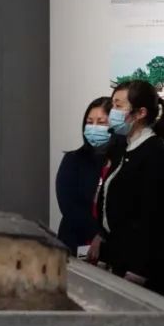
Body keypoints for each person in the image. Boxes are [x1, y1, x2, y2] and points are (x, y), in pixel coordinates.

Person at [95, 80, 164, 296]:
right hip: (119, 258)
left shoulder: (154, 153)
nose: (112, 112)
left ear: (140, 113)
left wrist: (137, 271)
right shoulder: (123, 148)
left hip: (143, 269)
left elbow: (152, 218)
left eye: (118, 106)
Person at [54, 97, 112, 255]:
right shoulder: (73, 160)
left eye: (101, 123)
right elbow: (68, 205)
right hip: (75, 241)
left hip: (110, 247)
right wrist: (95, 234)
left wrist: (104, 237)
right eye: (89, 122)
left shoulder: (121, 162)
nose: (94, 128)